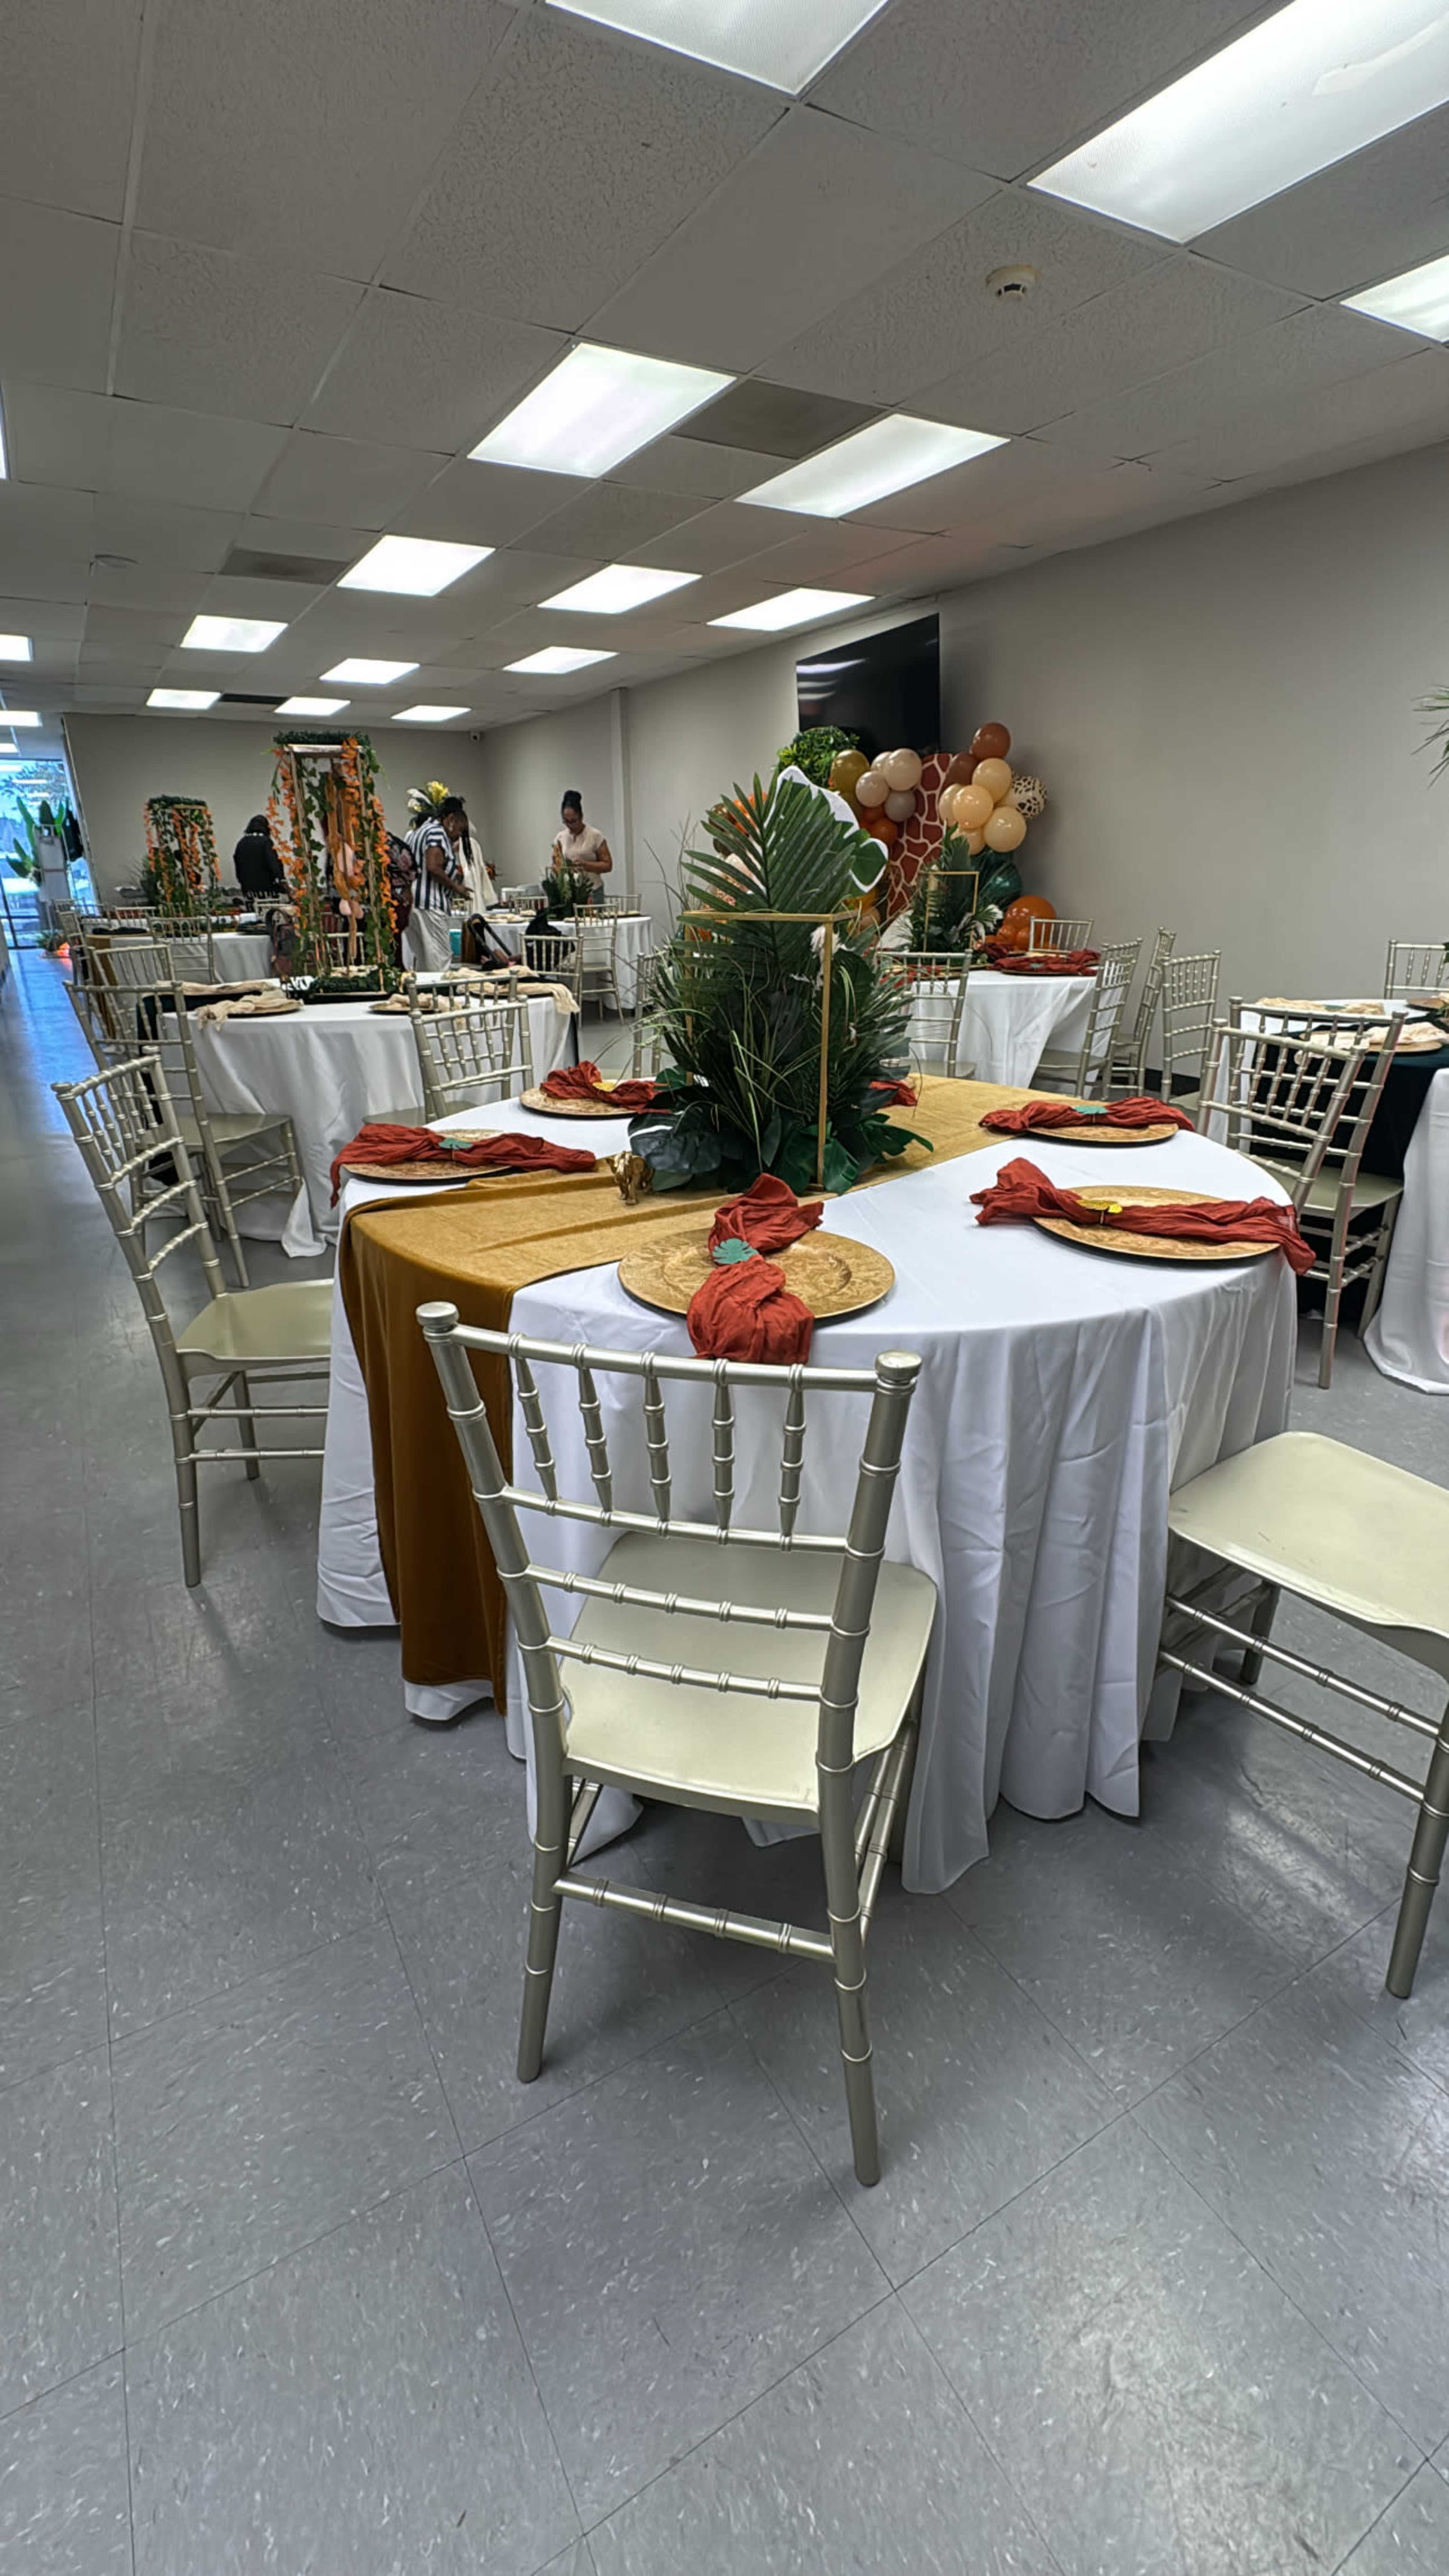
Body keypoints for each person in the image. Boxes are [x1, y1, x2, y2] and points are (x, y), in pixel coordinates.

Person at [409, 794, 468, 912]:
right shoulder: (437, 832)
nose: (459, 835)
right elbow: (433, 867)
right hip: (430, 904)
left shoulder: (421, 830)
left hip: (415, 903)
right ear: (451, 819)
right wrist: (456, 888)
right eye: (460, 830)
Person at [552, 791, 612, 903]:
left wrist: (586, 865)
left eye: (574, 821)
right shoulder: (560, 838)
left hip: (592, 891)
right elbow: (556, 864)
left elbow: (608, 865)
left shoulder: (595, 835)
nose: (571, 825)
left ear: (581, 817)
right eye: (566, 822)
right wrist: (561, 870)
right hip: (570, 892)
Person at [232, 813, 287, 898]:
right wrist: (281, 879)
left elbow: (237, 864)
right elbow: (273, 863)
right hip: (266, 889)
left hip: (248, 890)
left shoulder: (241, 843)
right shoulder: (266, 842)